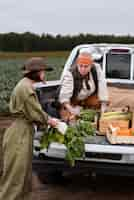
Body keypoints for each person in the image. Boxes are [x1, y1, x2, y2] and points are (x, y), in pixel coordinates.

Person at [0, 57, 58, 200]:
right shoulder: (26, 89)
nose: (45, 75)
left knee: (24, 175)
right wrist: (52, 121)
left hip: (22, 130)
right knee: (15, 176)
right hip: (20, 133)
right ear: (35, 72)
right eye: (43, 71)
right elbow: (36, 113)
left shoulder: (25, 85)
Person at [59, 52, 109, 121]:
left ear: (91, 65)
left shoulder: (96, 69)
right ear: (77, 64)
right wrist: (72, 110)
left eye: (86, 66)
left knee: (100, 103)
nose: (83, 69)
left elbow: (102, 85)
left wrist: (103, 105)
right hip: (72, 101)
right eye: (81, 66)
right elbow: (64, 97)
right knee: (69, 118)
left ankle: (92, 115)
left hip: (87, 98)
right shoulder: (70, 74)